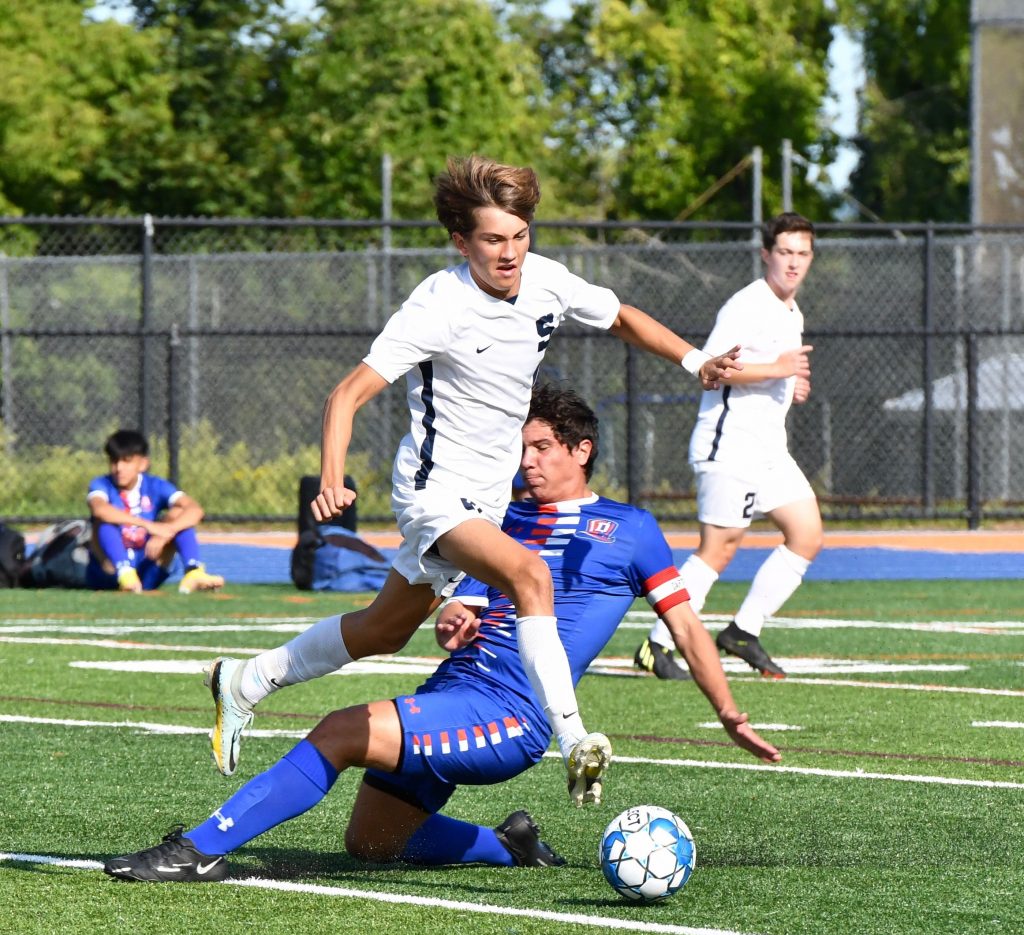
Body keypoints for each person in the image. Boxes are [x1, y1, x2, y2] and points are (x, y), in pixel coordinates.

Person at [203, 155, 743, 806]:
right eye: (493, 239)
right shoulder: (438, 305)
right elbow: (346, 394)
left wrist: (694, 360)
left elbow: (621, 316)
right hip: (433, 492)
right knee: (530, 575)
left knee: (383, 630)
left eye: (520, 235)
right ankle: (573, 738)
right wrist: (332, 476)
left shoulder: (545, 280)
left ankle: (246, 680)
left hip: (485, 499)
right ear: (462, 242)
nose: (510, 253)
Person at [104, 386, 779, 883]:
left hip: (510, 716)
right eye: (521, 448)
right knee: (371, 843)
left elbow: (686, 626)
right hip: (454, 690)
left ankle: (198, 849)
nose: (528, 461)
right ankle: (508, 843)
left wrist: (728, 713)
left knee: (339, 731)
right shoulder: (502, 519)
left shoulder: (631, 529)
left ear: (582, 450)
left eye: (542, 447)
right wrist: (458, 614)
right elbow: (462, 606)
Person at [635, 211, 821, 680]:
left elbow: (773, 370)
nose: (793, 263)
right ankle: (656, 644)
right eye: (785, 252)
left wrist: (790, 384)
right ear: (766, 254)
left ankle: (743, 631)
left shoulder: (792, 311)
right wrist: (778, 370)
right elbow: (714, 368)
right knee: (717, 550)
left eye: (802, 253)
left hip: (769, 450)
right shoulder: (747, 304)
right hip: (730, 446)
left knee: (807, 535)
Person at [85, 429, 224, 594]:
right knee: (104, 521)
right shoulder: (101, 484)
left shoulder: (155, 485)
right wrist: (148, 526)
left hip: (146, 567)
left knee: (178, 514)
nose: (119, 468)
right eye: (114, 461)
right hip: (109, 572)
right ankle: (125, 574)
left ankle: (193, 571)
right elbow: (99, 509)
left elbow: (195, 509)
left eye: (126, 461)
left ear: (143, 464)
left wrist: (165, 532)